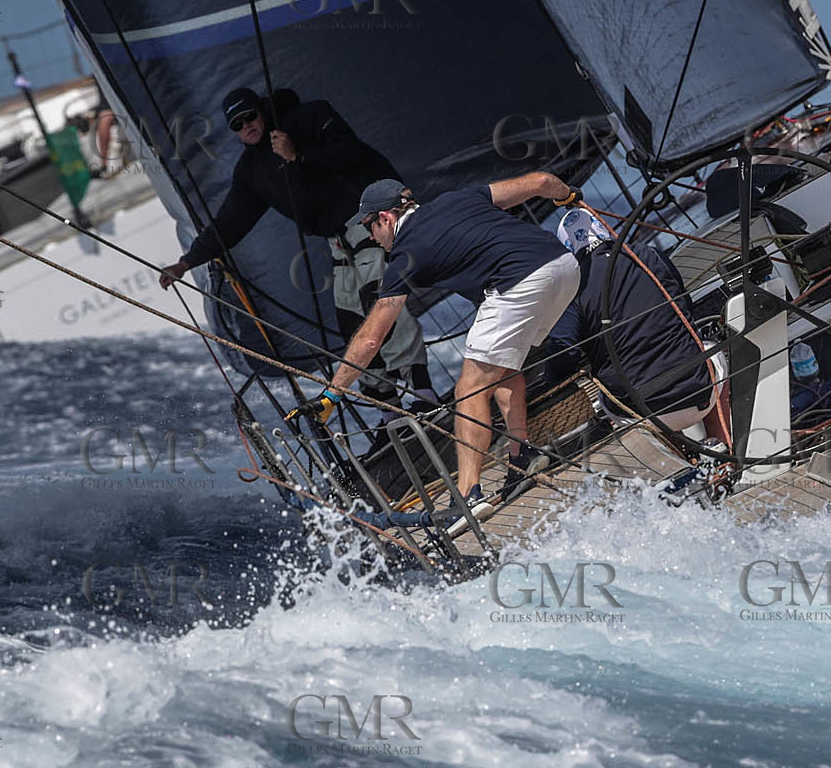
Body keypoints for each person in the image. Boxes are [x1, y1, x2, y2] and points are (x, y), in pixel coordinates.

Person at [291, 174, 583, 514]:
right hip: (564, 267)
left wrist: (332, 394)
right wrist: (567, 197)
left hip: (520, 283)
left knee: (470, 390)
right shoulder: (459, 197)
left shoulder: (404, 256)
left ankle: (467, 496)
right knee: (503, 369)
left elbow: (371, 339)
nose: (371, 237)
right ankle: (522, 458)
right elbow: (542, 181)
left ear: (385, 218)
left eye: (370, 227)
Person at [159, 86, 436, 419]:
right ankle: (388, 408)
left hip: (369, 217)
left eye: (250, 116)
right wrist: (186, 263)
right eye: (237, 125)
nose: (247, 126)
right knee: (352, 322)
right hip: (337, 239)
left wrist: (298, 155)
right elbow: (230, 221)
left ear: (262, 109)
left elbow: (352, 152)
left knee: (380, 301)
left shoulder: (309, 117)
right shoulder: (251, 170)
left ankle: (423, 392)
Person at [546, 208, 730, 443]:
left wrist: (553, 377)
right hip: (700, 391)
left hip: (643, 412)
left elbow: (563, 350)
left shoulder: (571, 288)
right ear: (602, 228)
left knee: (613, 394)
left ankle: (684, 453)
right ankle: (722, 445)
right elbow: (683, 304)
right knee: (709, 349)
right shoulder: (647, 254)